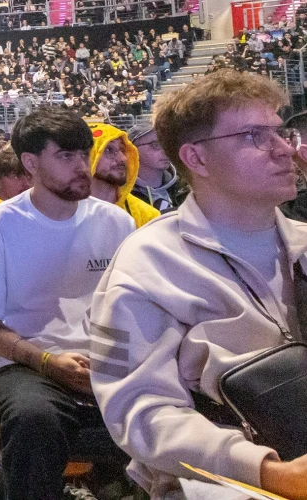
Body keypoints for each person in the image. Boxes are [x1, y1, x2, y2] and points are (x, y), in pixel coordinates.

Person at [90, 70, 307, 500]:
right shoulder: (147, 264)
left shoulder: (301, 242)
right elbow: (140, 413)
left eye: (282, 134)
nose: (284, 150)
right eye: (253, 135)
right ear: (197, 158)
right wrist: (268, 473)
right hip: (219, 483)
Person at [0, 106, 135, 500]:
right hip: (25, 364)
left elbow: (134, 309)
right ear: (30, 163)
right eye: (66, 157)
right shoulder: (0, 226)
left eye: (84, 155)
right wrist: (47, 362)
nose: (82, 167)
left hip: (109, 359)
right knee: (34, 419)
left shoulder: (116, 222)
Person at [88, 123, 161, 228]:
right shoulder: (63, 214)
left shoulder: (147, 216)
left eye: (122, 149)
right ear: (89, 155)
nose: (123, 158)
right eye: (109, 150)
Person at [127, 124, 187, 213]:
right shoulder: (122, 194)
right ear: (132, 149)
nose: (166, 150)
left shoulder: (187, 186)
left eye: (167, 144)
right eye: (155, 144)